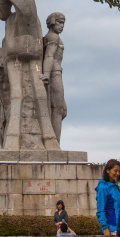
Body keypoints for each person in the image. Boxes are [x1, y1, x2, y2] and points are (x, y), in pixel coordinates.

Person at [42, 12, 67, 143]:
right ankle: (55, 143)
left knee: (61, 110)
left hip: (55, 72)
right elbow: (49, 56)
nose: (62, 26)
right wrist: (46, 74)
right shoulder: (53, 37)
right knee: (58, 109)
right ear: (52, 22)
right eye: (59, 22)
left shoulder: (53, 37)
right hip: (54, 73)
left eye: (63, 23)